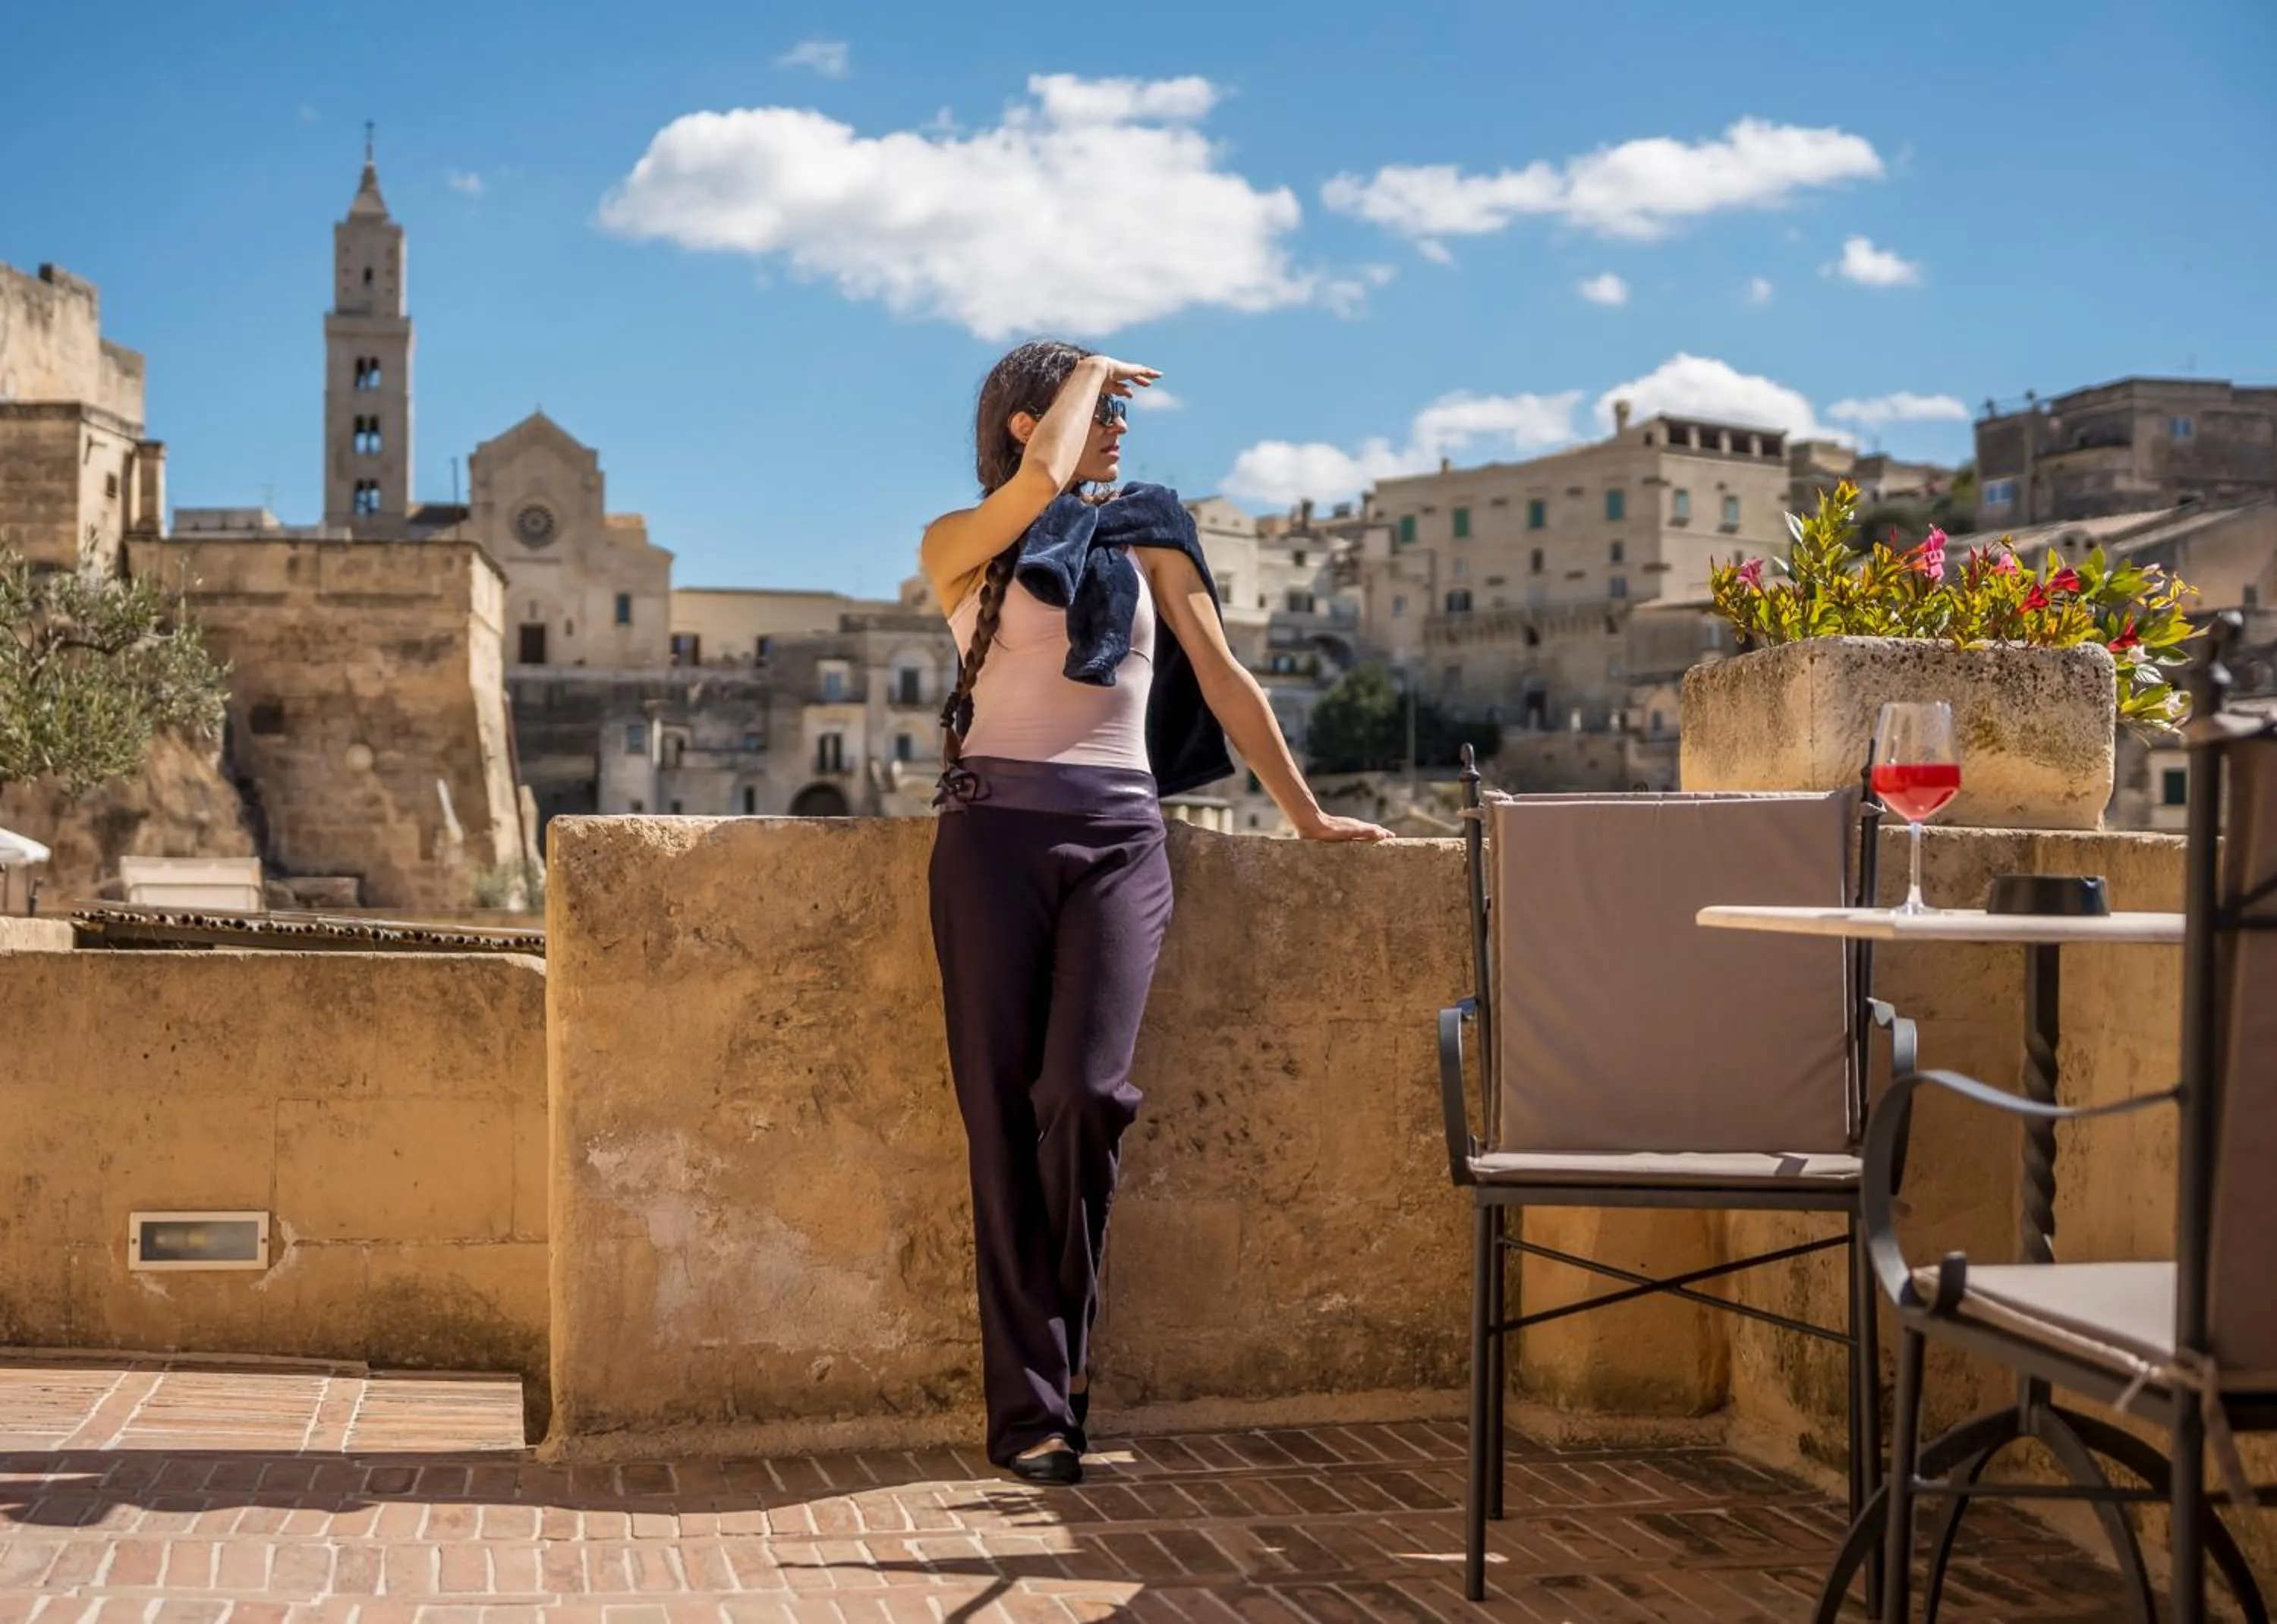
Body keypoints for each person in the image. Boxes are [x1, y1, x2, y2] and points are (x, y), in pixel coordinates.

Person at [920, 338, 1391, 1485]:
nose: (1121, 429)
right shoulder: (961, 540)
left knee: (1083, 1095)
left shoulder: (1149, 534)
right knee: (996, 1117)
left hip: (1122, 838)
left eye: (1123, 411)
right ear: (1028, 423)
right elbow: (1035, 492)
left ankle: (1068, 1353)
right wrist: (1087, 363)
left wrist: (1309, 817)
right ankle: (1029, 1409)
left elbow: (1224, 678)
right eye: (1096, 410)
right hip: (990, 836)